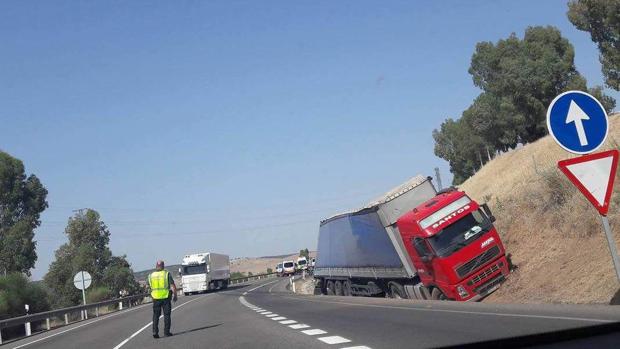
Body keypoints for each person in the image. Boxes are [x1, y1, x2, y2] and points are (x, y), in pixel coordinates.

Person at [148, 260, 178, 338]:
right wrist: (175, 295)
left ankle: (155, 332)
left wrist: (152, 295)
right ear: (163, 266)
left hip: (155, 298)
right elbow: (172, 285)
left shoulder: (151, 275)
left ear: (156, 266)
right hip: (165, 297)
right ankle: (166, 332)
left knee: (155, 316)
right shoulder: (166, 274)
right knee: (167, 315)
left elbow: (149, 287)